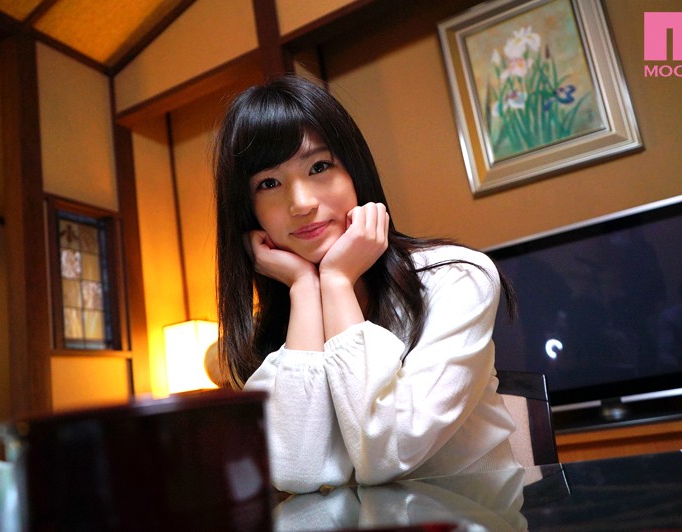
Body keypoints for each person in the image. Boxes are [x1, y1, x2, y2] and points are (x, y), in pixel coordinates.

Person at [213, 75, 518, 494]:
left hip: (474, 515)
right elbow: (297, 470)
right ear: (250, 212)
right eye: (269, 183)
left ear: (356, 172)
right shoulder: (273, 327)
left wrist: (337, 280)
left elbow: (386, 452)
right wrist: (305, 289)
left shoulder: (457, 278)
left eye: (319, 167)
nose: (301, 203)